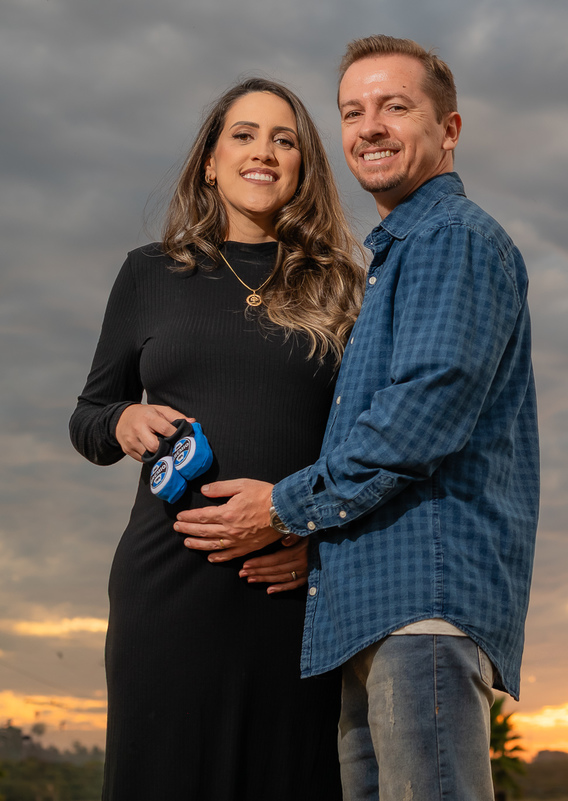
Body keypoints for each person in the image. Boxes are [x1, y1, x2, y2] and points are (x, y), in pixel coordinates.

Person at [174, 36, 539, 799]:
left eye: (395, 107)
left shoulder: (452, 239)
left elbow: (422, 416)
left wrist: (281, 508)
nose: (369, 126)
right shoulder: (395, 257)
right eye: (352, 111)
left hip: (421, 612)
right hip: (370, 612)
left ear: (449, 131)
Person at [69, 77, 363, 800]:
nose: (263, 151)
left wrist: (315, 543)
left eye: (283, 139)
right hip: (166, 589)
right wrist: (122, 420)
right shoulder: (149, 273)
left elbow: (366, 451)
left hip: (288, 590)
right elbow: (89, 416)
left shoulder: (344, 287)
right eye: (244, 134)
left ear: (302, 165)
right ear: (209, 159)